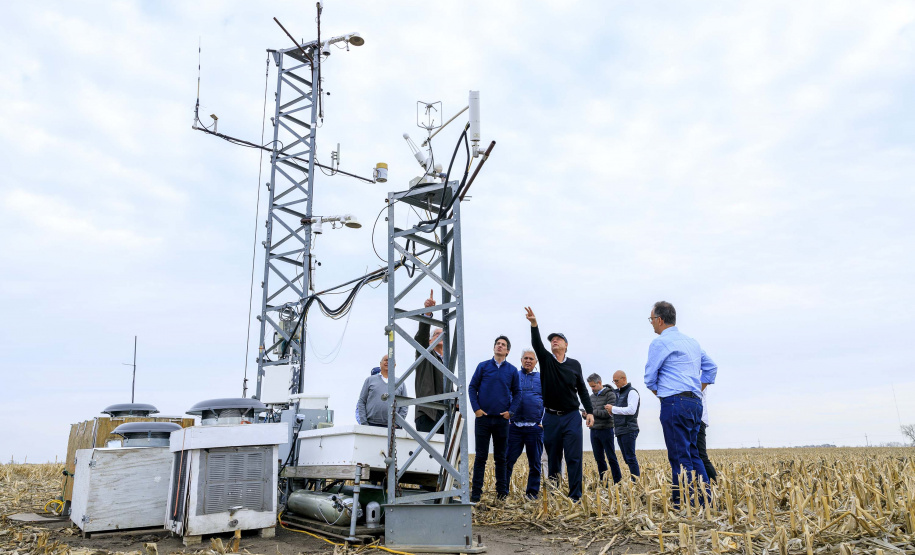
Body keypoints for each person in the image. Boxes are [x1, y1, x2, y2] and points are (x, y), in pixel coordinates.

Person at [644, 301, 717, 507]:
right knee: (694, 453)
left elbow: (650, 377)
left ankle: (683, 503)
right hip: (695, 403)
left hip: (674, 402)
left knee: (679, 455)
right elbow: (711, 367)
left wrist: (665, 394)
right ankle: (705, 502)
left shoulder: (659, 343)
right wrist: (696, 388)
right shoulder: (692, 342)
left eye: (651, 320)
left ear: (659, 320)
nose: (651, 324)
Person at [524, 307, 593, 502]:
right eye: (552, 339)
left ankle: (575, 497)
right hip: (551, 417)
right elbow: (537, 344)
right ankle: (554, 495)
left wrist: (589, 411)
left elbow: (582, 389)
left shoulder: (575, 364)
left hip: (571, 416)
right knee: (553, 459)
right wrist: (534, 325)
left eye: (558, 339)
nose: (554, 341)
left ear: (566, 345)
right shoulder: (547, 361)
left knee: (573, 458)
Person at [468, 336, 521, 502]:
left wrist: (510, 412)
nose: (500, 346)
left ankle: (502, 494)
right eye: (498, 344)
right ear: (494, 348)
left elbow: (518, 393)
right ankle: (476, 495)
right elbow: (472, 387)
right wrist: (476, 409)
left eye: (503, 345)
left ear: (507, 351)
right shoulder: (483, 367)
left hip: (501, 420)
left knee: (501, 458)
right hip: (483, 419)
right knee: (480, 457)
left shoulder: (512, 370)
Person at [506, 349, 545, 499]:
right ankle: (503, 491)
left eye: (531, 359)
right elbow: (506, 395)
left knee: (535, 463)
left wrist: (543, 421)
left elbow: (548, 401)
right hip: (514, 426)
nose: (528, 360)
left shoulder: (541, 379)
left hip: (534, 427)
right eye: (525, 358)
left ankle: (532, 493)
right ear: (521, 360)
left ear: (536, 362)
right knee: (508, 460)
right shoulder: (514, 376)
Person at [415, 290, 446, 433]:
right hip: (428, 413)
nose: (441, 337)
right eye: (437, 334)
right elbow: (421, 336)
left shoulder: (448, 362)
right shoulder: (426, 354)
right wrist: (428, 314)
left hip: (446, 414)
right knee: (427, 454)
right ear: (430, 340)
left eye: (443, 335)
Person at [584, 373, 622, 484]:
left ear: (599, 383)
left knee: (611, 457)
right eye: (590, 386)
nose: (592, 389)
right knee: (599, 458)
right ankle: (603, 481)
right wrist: (585, 415)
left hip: (606, 429)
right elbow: (590, 415)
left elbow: (608, 413)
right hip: (594, 430)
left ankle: (617, 481)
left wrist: (592, 413)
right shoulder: (590, 397)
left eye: (593, 386)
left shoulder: (610, 395)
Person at [356, 354, 408, 427]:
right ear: (380, 364)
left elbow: (405, 404)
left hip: (393, 427)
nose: (387, 362)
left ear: (395, 365)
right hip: (371, 424)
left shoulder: (400, 382)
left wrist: (398, 423)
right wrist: (364, 423)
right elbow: (362, 401)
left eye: (390, 360)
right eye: (385, 360)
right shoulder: (370, 380)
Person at [608, 370, 641, 479]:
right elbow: (620, 411)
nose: (615, 383)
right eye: (614, 381)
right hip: (620, 430)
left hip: (629, 428)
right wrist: (612, 412)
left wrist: (613, 409)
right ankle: (635, 479)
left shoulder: (632, 392)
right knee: (627, 459)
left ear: (624, 379)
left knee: (630, 458)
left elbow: (631, 410)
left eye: (617, 381)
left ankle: (637, 483)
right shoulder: (618, 393)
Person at [697, 388, 717, 481]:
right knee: (699, 456)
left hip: (698, 419)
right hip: (698, 419)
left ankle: (715, 484)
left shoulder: (698, 376)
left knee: (701, 456)